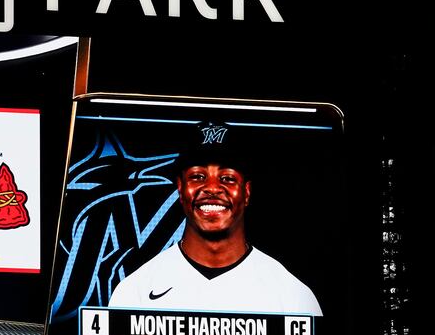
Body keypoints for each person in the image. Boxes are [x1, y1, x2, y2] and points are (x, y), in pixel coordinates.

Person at [108, 120, 322, 314]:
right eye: (198, 176)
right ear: (181, 190)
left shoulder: (292, 296)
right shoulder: (135, 292)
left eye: (227, 178)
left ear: (246, 192)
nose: (211, 187)